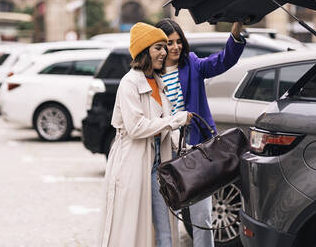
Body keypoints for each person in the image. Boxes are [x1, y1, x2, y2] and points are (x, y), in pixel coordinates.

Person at [98, 22, 193, 247]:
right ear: (145, 51)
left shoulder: (160, 83)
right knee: (131, 230)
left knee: (166, 229)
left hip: (161, 165)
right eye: (158, 47)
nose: (165, 52)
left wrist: (188, 152)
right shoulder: (129, 83)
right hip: (133, 162)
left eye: (164, 47)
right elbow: (136, 127)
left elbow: (164, 131)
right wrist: (175, 120)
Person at [155, 19, 246, 247]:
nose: (175, 47)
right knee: (165, 218)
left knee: (202, 217)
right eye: (169, 43)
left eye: (178, 42)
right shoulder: (151, 74)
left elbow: (222, 61)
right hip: (164, 153)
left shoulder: (192, 64)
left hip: (195, 152)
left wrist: (234, 35)